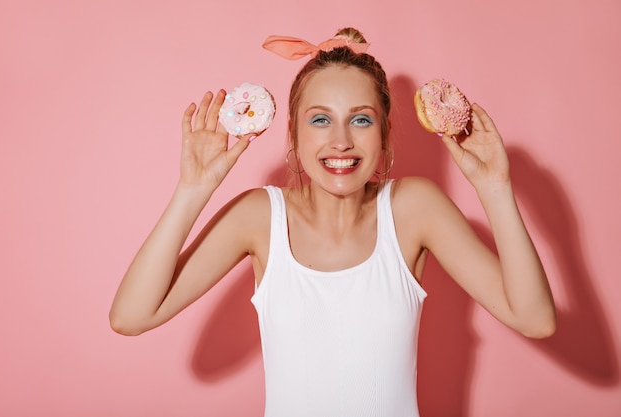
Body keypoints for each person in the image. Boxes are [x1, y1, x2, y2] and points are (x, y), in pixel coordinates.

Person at [110, 27, 556, 417]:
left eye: (360, 120)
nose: (341, 141)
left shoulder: (414, 208)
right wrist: (193, 190)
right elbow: (131, 316)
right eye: (320, 119)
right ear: (294, 134)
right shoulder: (260, 217)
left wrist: (495, 188)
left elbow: (535, 319)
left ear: (383, 135)